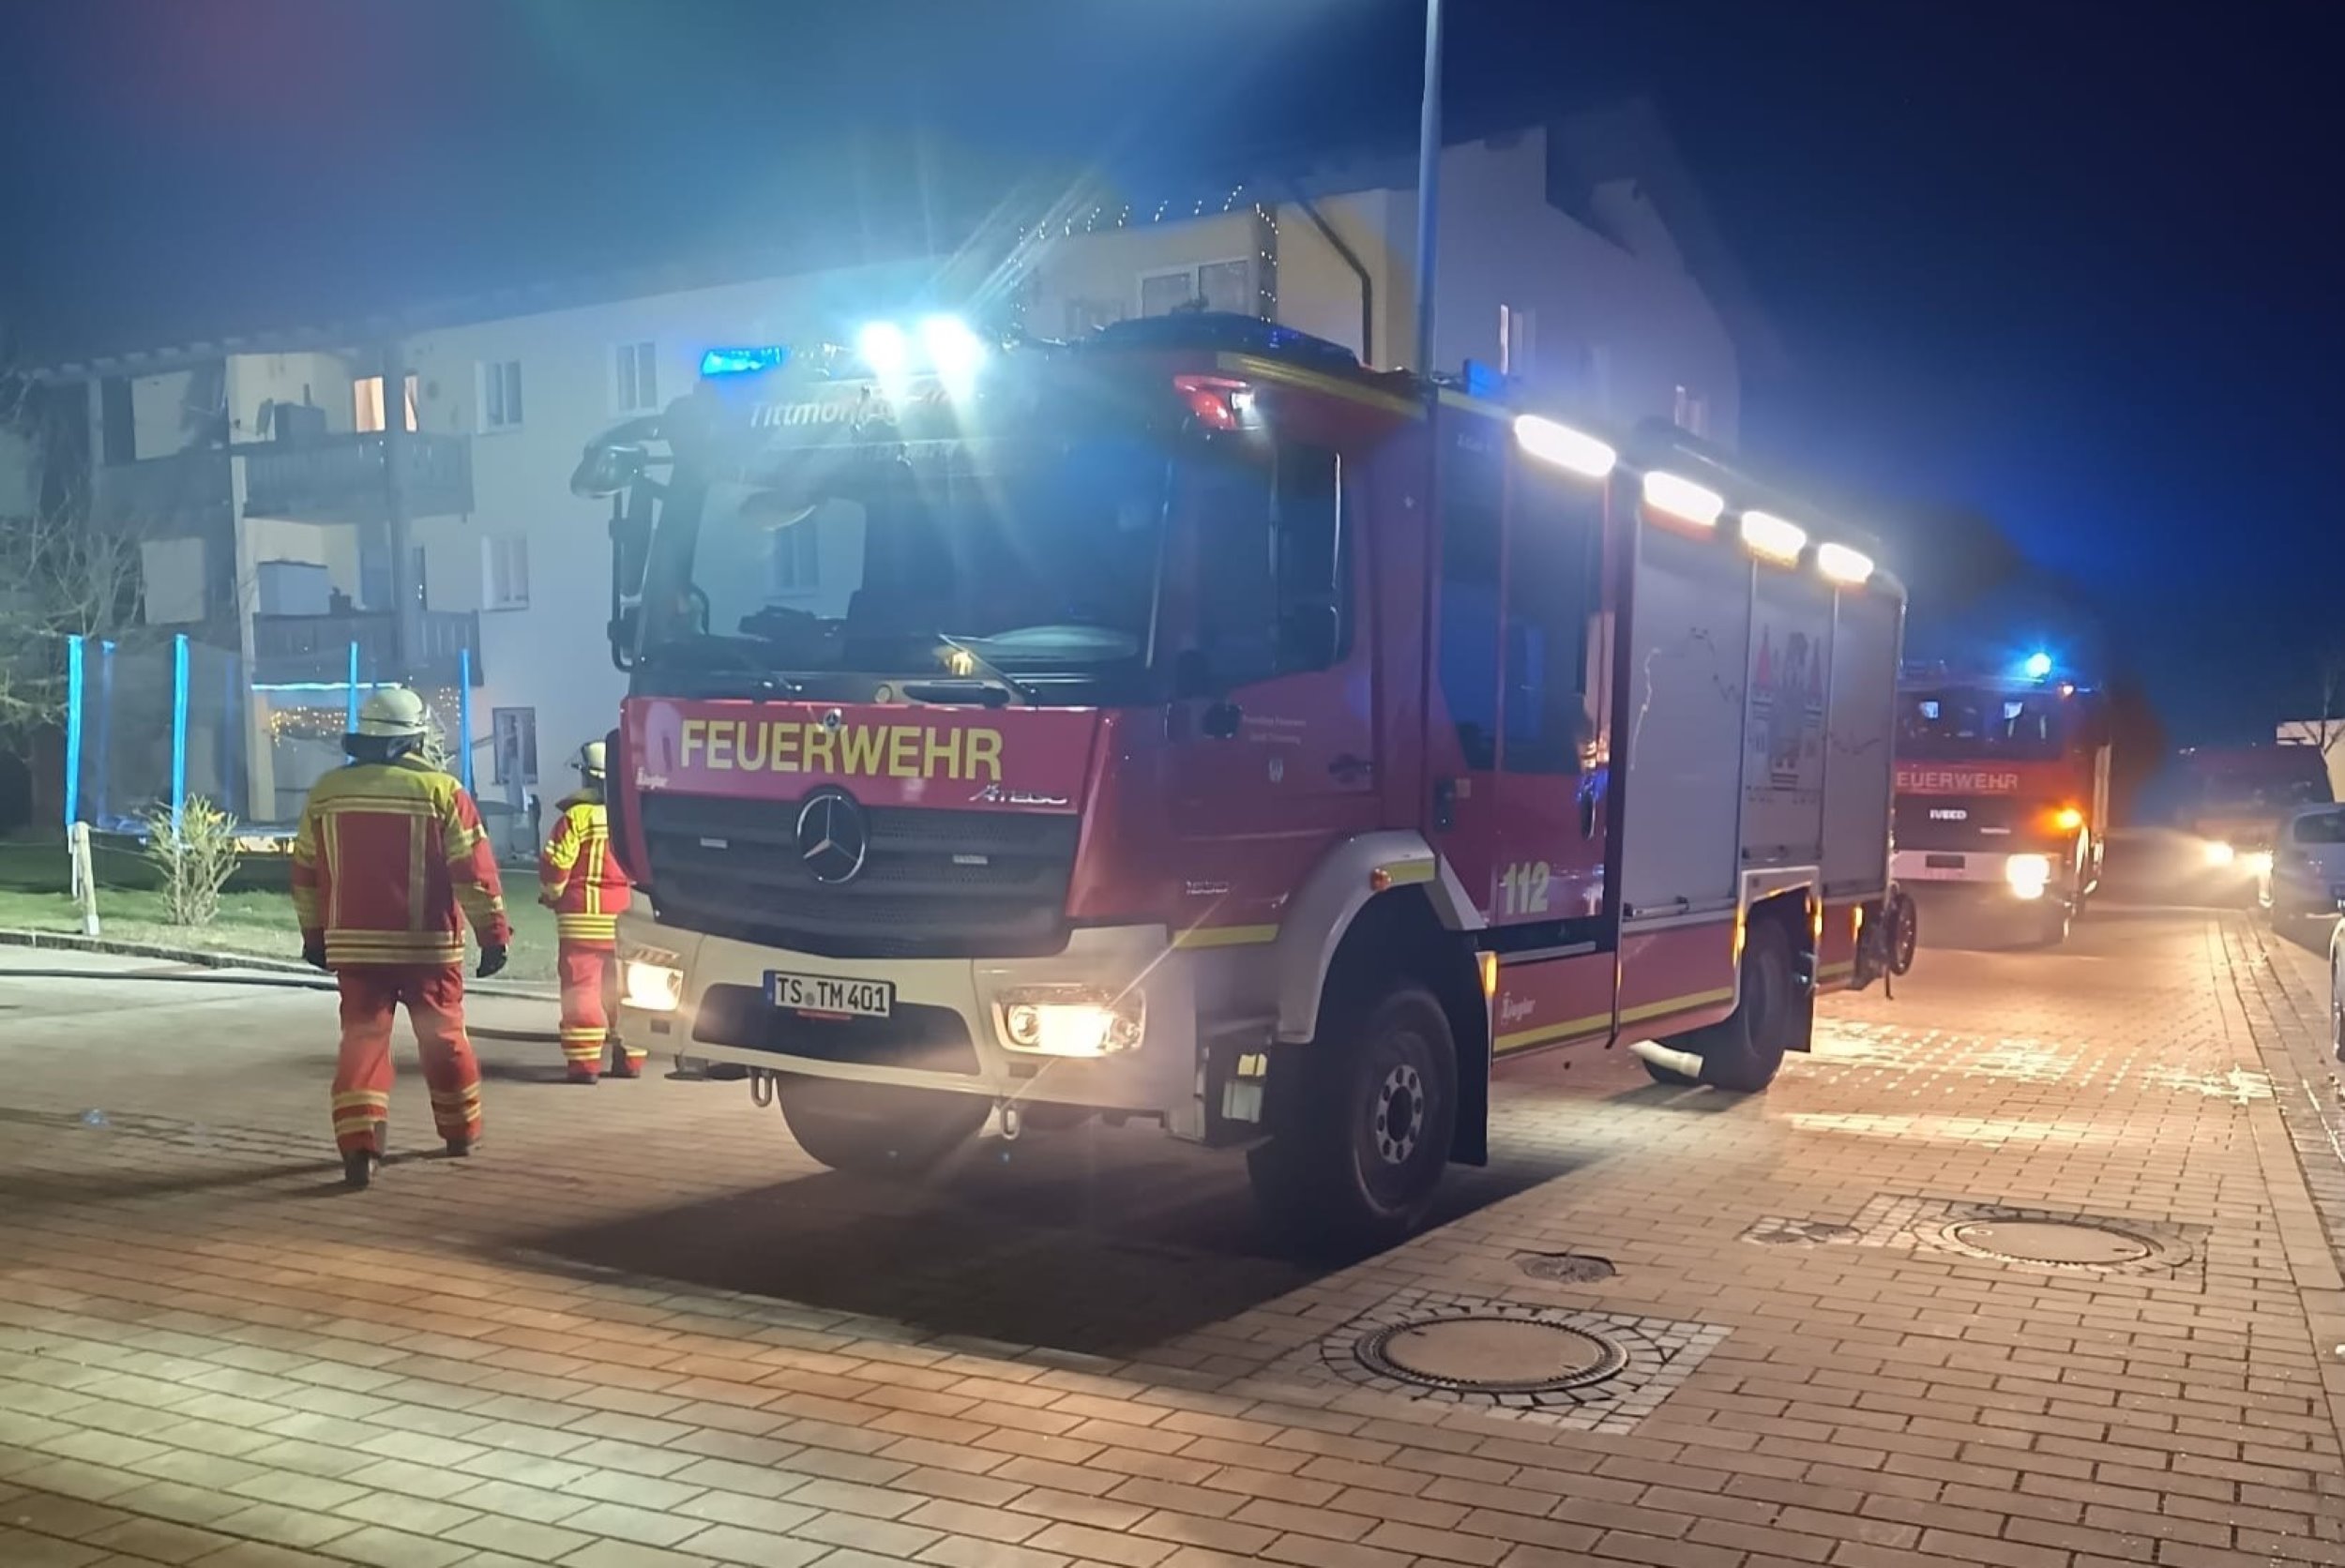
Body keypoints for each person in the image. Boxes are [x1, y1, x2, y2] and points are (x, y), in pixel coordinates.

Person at [291, 687, 510, 1189]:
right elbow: (473, 873)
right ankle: (460, 1131)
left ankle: (360, 1148)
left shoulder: (327, 792)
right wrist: (492, 934)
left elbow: (305, 871)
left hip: (355, 947)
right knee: (444, 1038)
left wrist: (314, 934)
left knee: (362, 1041)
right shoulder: (441, 790)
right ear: (413, 738)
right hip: (427, 948)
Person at [538, 740, 639, 1083]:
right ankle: (630, 1060)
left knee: (581, 989)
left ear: (588, 776)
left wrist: (551, 895)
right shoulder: (633, 818)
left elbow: (556, 863)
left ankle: (584, 1065)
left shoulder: (576, 817)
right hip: (627, 922)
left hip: (580, 923)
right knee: (626, 989)